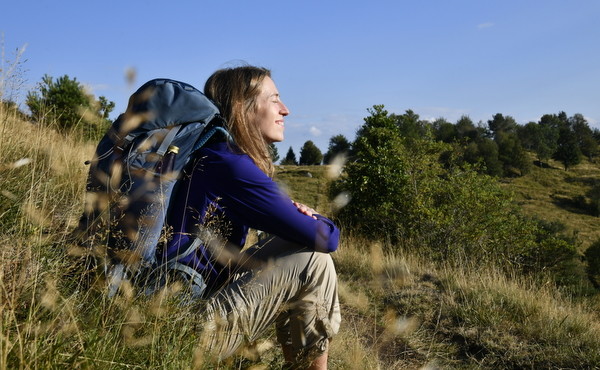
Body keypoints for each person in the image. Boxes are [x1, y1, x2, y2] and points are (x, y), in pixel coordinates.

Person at [162, 65, 341, 369]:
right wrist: (320, 219)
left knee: (295, 247)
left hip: (177, 309)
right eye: (274, 100)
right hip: (184, 330)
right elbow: (327, 238)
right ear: (241, 108)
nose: (285, 110)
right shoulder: (231, 166)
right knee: (315, 261)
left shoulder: (214, 155)